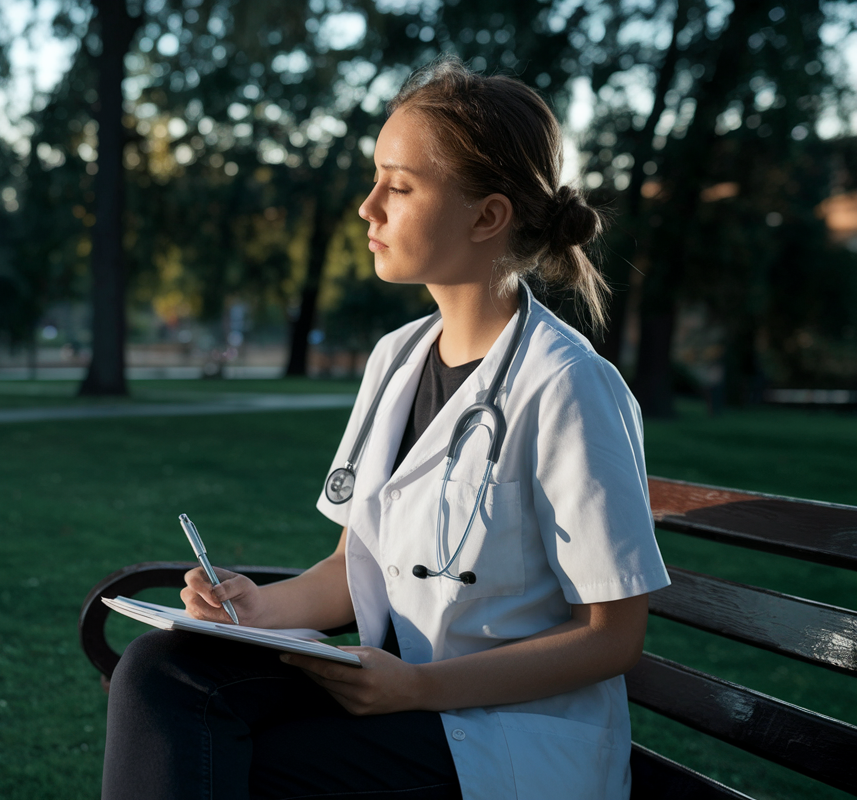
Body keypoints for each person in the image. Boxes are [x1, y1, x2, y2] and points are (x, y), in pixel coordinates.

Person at [101, 56, 671, 800]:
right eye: (376, 179)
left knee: (248, 765)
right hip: (395, 697)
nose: (368, 207)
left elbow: (612, 636)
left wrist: (420, 687)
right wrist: (253, 608)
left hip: (509, 736)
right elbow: (355, 564)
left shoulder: (569, 385)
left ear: (487, 215)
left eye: (398, 187)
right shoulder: (396, 358)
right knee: (160, 671)